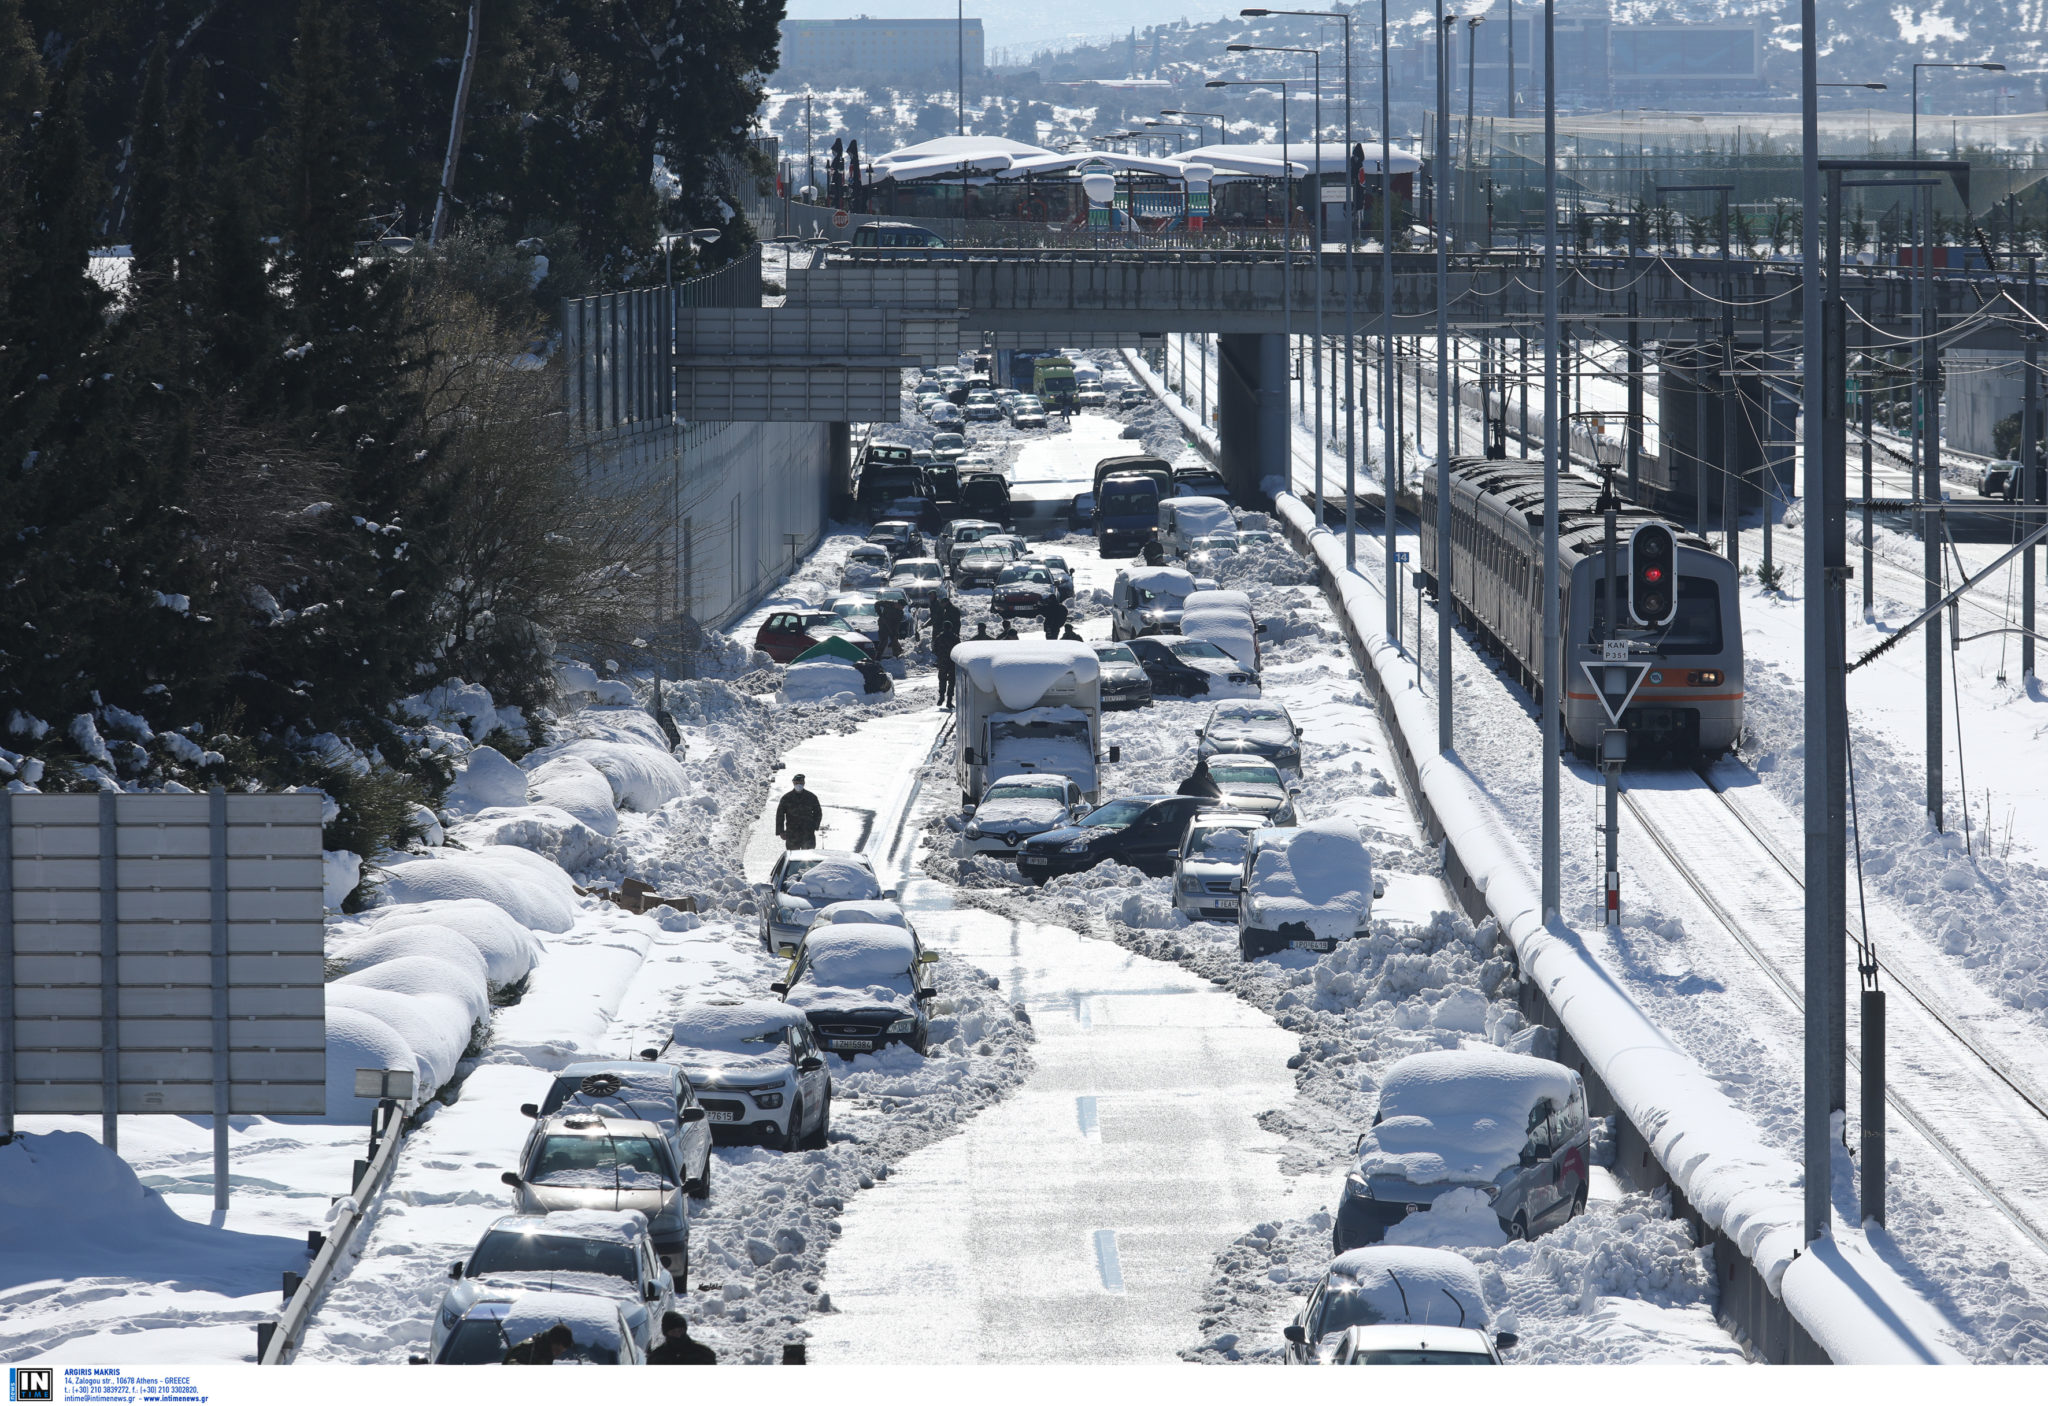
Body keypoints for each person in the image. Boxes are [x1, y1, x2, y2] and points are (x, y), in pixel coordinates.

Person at [646, 1312, 717, 1365]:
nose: (677, 1335)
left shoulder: (704, 1354)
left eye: (680, 1331)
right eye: (673, 1332)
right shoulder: (656, 1358)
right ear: (666, 1333)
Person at [775, 774, 822, 851]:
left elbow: (818, 813)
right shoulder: (786, 798)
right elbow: (780, 815)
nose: (798, 785)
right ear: (793, 783)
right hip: (792, 834)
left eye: (800, 783)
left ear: (804, 783)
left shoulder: (811, 797)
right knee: (793, 857)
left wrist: (814, 826)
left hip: (807, 834)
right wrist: (781, 831)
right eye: (796, 783)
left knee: (808, 858)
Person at [503, 1322, 574, 1364]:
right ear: (551, 1341)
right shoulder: (528, 1350)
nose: (557, 1354)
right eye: (557, 1350)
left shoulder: (546, 1352)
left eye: (561, 1352)